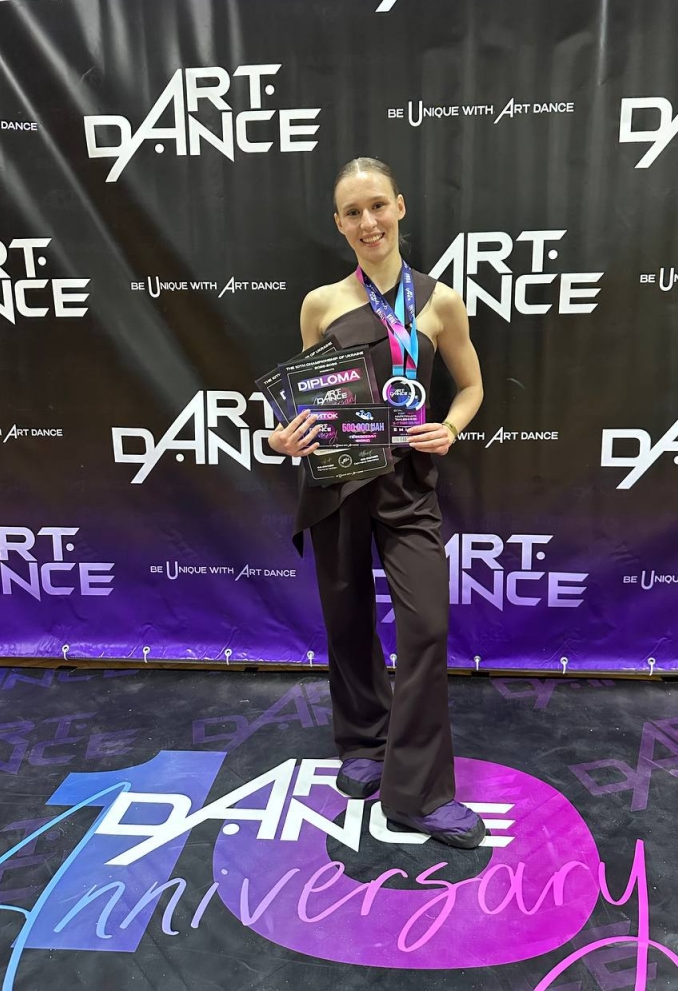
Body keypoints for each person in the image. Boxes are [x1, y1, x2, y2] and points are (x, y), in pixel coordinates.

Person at [268, 157, 485, 849]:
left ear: (400, 207)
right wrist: (284, 437)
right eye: (353, 213)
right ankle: (364, 741)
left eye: (378, 206)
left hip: (407, 485)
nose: (369, 222)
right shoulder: (321, 304)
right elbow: (307, 400)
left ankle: (418, 793)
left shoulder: (440, 302)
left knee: (426, 628)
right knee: (347, 617)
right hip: (336, 482)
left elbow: (472, 387)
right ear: (339, 224)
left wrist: (450, 428)